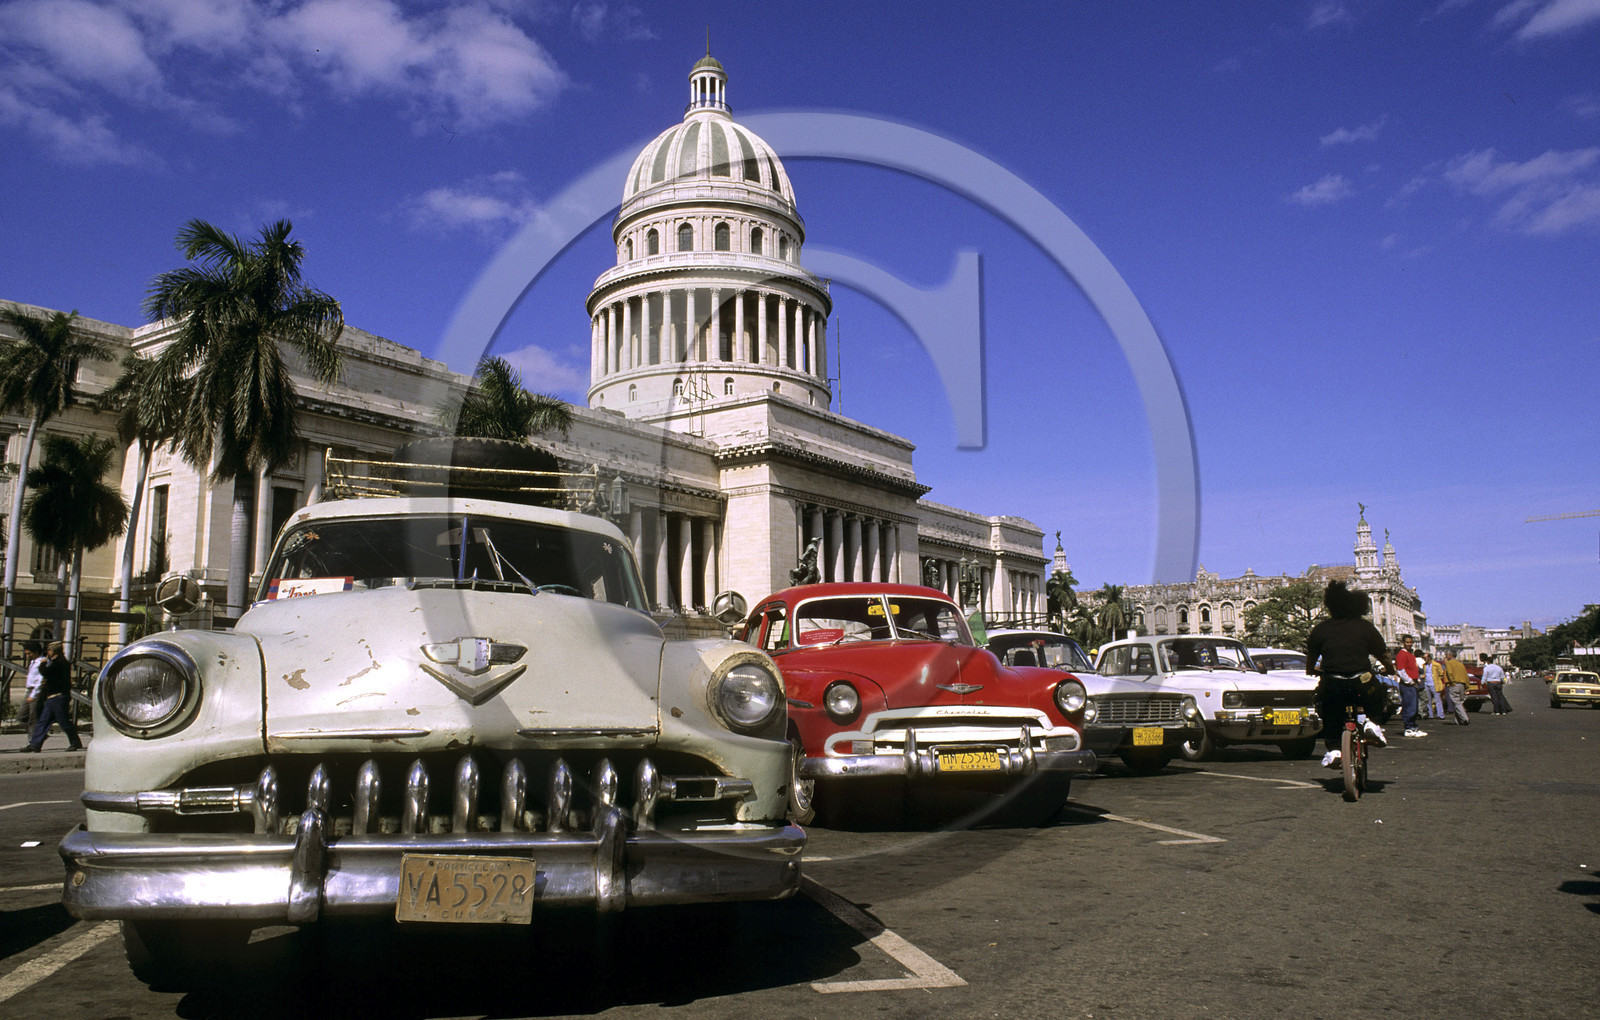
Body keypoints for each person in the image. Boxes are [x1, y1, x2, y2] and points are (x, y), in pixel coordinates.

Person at [1305, 580, 1397, 768]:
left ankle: (1333, 750)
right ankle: (1373, 723)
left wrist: (1312, 670)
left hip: (1333, 682)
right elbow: (1383, 655)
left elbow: (1311, 659)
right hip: (1361, 680)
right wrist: (1390, 670)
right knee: (1378, 692)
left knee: (1328, 710)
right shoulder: (1365, 627)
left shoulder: (1321, 629)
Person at [25, 642, 82, 753]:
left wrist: (43, 663)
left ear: (53, 651)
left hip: (59, 697)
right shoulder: (57, 662)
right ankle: (35, 744)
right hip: (52, 697)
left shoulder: (60, 663)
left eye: (49, 650)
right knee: (43, 721)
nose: (48, 652)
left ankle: (75, 742)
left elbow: (46, 672)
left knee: (64, 721)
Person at [1394, 634, 1427, 737]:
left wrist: (1417, 679)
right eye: (1407, 642)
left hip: (1413, 683)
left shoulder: (1410, 655)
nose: (1409, 644)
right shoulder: (1402, 654)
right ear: (1403, 643)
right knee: (1409, 706)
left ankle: (1414, 727)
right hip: (1407, 684)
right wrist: (1410, 681)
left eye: (1410, 642)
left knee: (1414, 706)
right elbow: (1401, 671)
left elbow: (1413, 669)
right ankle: (1409, 728)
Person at [22, 642, 46, 738]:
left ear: (36, 652)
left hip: (36, 691)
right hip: (29, 690)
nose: (28, 656)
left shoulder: (41, 662)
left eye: (29, 653)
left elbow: (40, 680)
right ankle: (40, 733)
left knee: (33, 716)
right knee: (22, 715)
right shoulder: (32, 662)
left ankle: (34, 740)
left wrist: (33, 695)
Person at [1441, 650, 1471, 725]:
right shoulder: (1460, 664)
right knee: (1459, 702)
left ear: (1450, 655)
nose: (1446, 657)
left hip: (1455, 684)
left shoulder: (1449, 663)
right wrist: (1467, 686)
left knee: (1457, 702)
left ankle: (1465, 718)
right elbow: (1465, 675)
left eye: (1446, 655)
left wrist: (1452, 682)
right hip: (1462, 685)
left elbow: (1449, 673)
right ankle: (1458, 720)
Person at [1420, 651, 1445, 719]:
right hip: (1427, 684)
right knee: (1428, 700)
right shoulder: (1424, 665)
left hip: (1434, 684)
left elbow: (1441, 674)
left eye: (1425, 657)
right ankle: (1430, 714)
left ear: (1429, 658)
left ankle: (1440, 714)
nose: (1424, 659)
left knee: (1437, 700)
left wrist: (1438, 680)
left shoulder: (1436, 665)